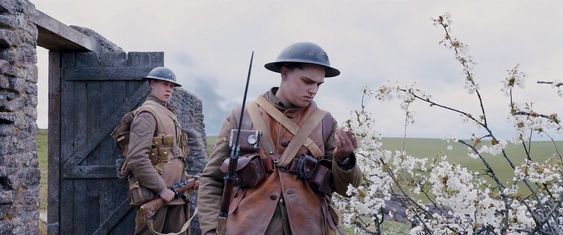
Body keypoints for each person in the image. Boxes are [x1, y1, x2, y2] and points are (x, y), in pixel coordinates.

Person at [197, 42, 362, 235]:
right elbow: (213, 179)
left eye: (318, 84)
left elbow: (347, 188)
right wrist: (210, 229)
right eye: (307, 81)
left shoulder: (325, 122)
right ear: (284, 73)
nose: (313, 90)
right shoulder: (243, 116)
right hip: (246, 228)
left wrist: (343, 160)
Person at [126, 67, 190, 234]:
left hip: (175, 194)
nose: (169, 89)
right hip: (156, 194)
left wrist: (187, 180)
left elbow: (174, 155)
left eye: (171, 86)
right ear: (151, 83)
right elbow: (137, 157)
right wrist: (161, 189)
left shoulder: (169, 113)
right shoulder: (147, 114)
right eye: (164, 84)